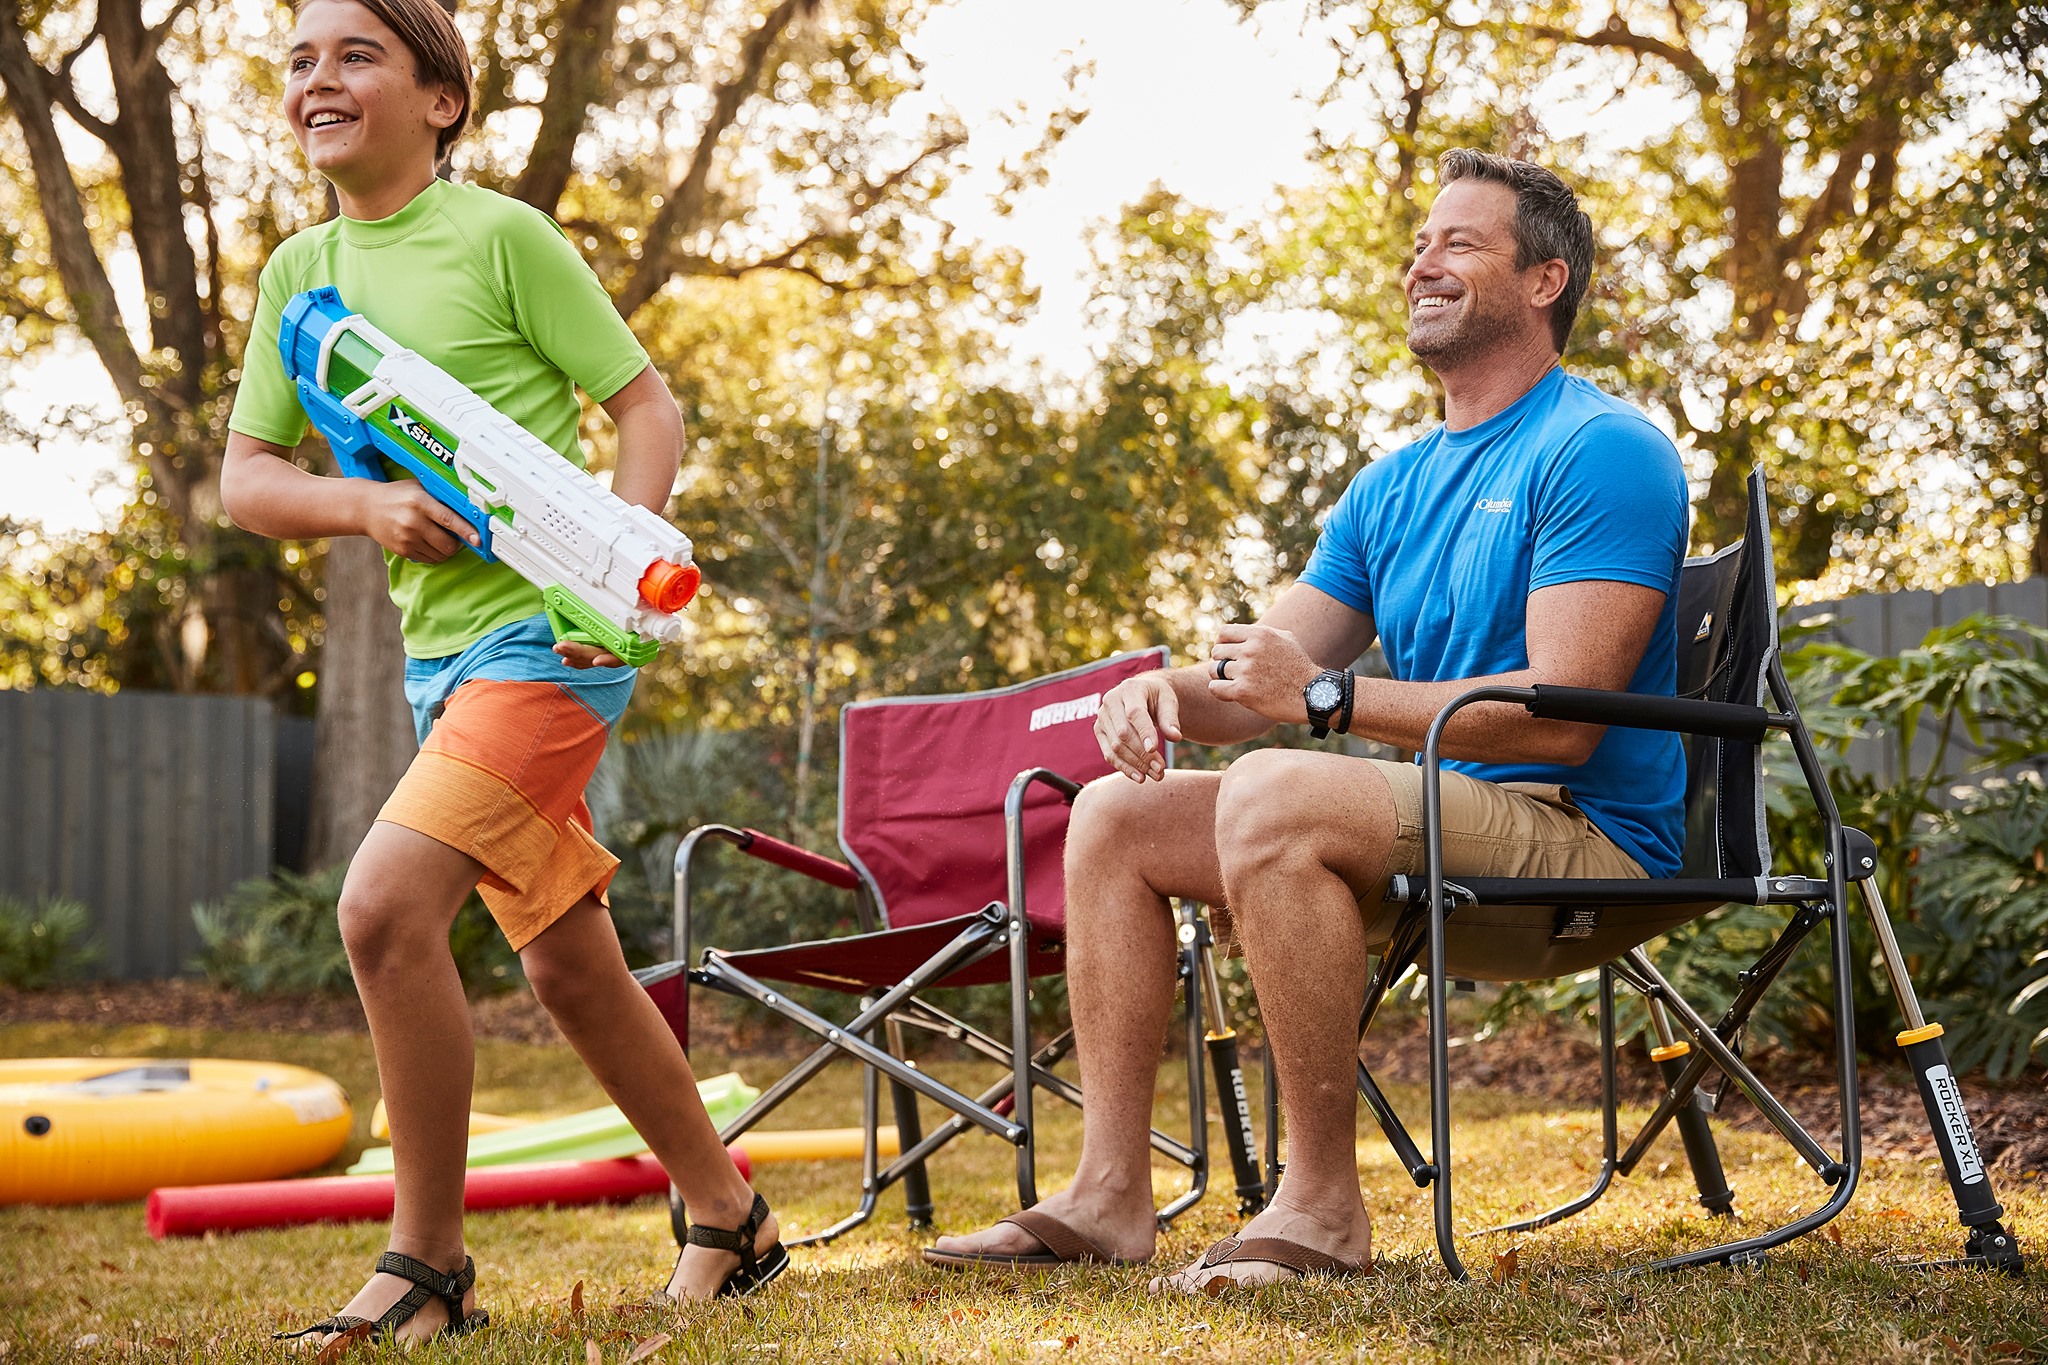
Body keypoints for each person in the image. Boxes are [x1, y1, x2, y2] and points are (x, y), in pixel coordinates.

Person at [923, 149, 1690, 1291]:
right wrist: (1161, 690)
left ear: (1545, 280)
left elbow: (1559, 721)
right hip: (1442, 826)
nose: (1422, 262)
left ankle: (1322, 1206)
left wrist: (1326, 700)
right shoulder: (1390, 488)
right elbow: (1261, 682)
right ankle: (1108, 1193)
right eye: (1419, 244)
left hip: (1585, 840)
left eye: (1460, 242)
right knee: (1113, 816)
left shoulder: (1600, 448)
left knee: (1276, 790)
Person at [221, 0, 782, 1343]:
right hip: (440, 663)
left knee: (381, 911)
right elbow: (246, 478)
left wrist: (613, 577)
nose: (319, 78)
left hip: (548, 643)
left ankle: (428, 1265)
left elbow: (645, 405)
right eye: (301, 58)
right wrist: (362, 507)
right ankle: (730, 1216)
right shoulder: (300, 277)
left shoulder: (501, 239)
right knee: (569, 970)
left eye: (357, 54)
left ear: (442, 100)